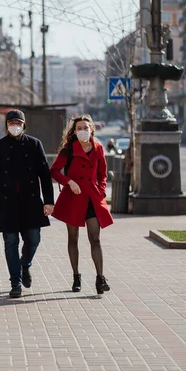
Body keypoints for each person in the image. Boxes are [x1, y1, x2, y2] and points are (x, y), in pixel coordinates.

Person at [0, 109, 54, 298]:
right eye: (11, 123)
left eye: (18, 123)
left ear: (24, 125)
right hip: (6, 203)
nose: (15, 126)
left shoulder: (34, 144)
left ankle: (25, 265)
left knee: (34, 239)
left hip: (31, 202)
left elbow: (45, 176)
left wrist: (49, 201)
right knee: (11, 242)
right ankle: (15, 282)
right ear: (6, 126)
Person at [50, 115, 113, 295]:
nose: (83, 130)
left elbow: (102, 174)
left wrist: (101, 191)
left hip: (92, 198)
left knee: (95, 238)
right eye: (79, 128)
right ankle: (76, 276)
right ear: (74, 131)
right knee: (73, 238)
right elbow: (53, 171)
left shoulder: (98, 148)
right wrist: (69, 182)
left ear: (91, 129)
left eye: (86, 127)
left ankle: (100, 278)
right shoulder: (68, 150)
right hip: (73, 198)